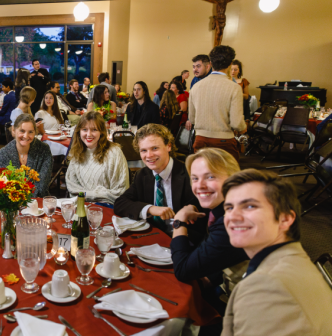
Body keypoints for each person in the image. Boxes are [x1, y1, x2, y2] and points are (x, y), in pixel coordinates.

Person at [222, 169, 332, 336]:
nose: (233, 216)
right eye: (229, 207)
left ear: (285, 219)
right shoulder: (293, 261)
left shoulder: (268, 285)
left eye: (250, 206)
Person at [170, 148, 248, 317]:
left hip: (251, 312)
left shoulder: (235, 221)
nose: (200, 186)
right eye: (195, 179)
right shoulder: (228, 207)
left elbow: (183, 271)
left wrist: (179, 221)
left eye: (210, 176)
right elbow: (224, 254)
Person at [114, 124, 206, 243]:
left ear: (168, 146)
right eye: (144, 150)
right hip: (153, 239)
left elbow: (202, 217)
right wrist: (151, 209)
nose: (149, 155)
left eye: (155, 148)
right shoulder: (142, 175)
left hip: (187, 240)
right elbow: (120, 204)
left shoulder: (189, 174)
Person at [189, 45, 246, 160]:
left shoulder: (196, 87)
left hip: (200, 139)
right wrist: (243, 127)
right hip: (223, 141)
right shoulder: (234, 88)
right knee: (226, 175)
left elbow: (192, 118)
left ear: (210, 63)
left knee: (203, 175)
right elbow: (236, 123)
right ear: (230, 64)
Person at [66, 112, 129, 204]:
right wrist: (98, 195)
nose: (89, 134)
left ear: (102, 132)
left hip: (108, 207)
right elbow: (72, 188)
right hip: (83, 205)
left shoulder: (114, 153)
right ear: (79, 132)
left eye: (94, 130)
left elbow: (120, 192)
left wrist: (88, 195)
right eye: (84, 129)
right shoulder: (76, 152)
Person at [0, 113, 52, 197]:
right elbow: (3, 186)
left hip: (38, 201)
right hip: (11, 203)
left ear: (34, 132)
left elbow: (42, 186)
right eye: (22, 131)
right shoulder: (4, 153)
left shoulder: (44, 150)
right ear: (14, 130)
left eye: (30, 132)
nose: (26, 136)